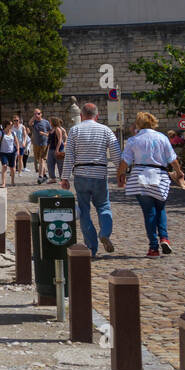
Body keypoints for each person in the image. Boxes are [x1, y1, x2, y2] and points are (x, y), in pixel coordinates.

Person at [118, 111, 183, 257]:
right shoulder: (162, 138)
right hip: (160, 176)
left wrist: (120, 175)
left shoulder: (134, 140)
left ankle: (153, 247)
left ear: (139, 124)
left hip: (141, 176)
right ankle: (164, 238)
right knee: (160, 208)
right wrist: (179, 172)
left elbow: (125, 161)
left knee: (149, 212)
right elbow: (172, 158)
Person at [60, 102, 118, 257]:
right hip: (99, 174)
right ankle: (105, 232)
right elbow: (115, 152)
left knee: (84, 210)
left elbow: (69, 155)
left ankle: (91, 248)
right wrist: (121, 172)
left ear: (81, 115)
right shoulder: (105, 130)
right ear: (97, 115)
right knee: (104, 206)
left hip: (81, 174)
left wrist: (65, 177)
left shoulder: (75, 130)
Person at [30, 108, 53, 183]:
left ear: (41, 114)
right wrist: (34, 117)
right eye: (35, 114)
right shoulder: (34, 122)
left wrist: (44, 134)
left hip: (44, 144)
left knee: (42, 159)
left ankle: (40, 176)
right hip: (36, 144)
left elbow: (50, 133)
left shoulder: (45, 122)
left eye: (38, 113)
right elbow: (30, 123)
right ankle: (45, 175)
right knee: (39, 161)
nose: (37, 115)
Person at [0, 120, 18, 186]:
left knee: (12, 167)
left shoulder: (13, 133)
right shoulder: (1, 133)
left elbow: (16, 142)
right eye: (11, 124)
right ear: (6, 125)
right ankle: (3, 183)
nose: (12, 126)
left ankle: (12, 181)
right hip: (3, 153)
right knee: (4, 166)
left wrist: (18, 151)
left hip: (12, 152)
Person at [47, 117, 66, 183]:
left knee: (60, 164)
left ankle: (62, 179)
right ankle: (53, 178)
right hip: (51, 149)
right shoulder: (51, 129)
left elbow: (60, 139)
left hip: (59, 149)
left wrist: (57, 149)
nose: (49, 122)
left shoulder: (58, 129)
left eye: (50, 121)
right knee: (50, 163)